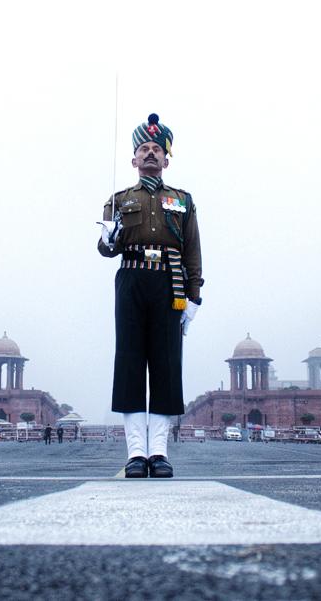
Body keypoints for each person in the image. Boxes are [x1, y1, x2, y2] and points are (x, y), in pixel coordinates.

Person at [98, 114, 203, 479]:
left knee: (165, 365)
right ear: (134, 158)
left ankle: (159, 452)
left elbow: (192, 250)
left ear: (166, 159)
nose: (150, 154)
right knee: (129, 363)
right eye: (144, 148)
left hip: (169, 284)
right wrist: (108, 238)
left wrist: (194, 297)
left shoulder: (183, 201)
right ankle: (135, 454)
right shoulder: (118, 198)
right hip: (131, 279)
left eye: (157, 149)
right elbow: (105, 249)